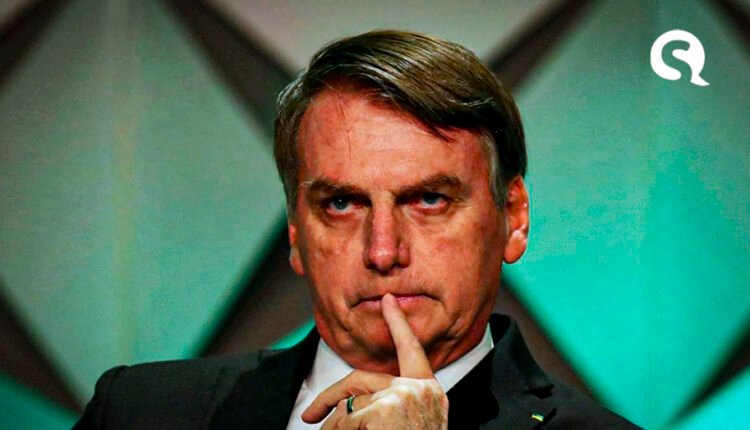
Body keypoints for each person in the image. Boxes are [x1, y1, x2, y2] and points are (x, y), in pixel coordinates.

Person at [74, 30, 639, 429]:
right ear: (296, 232)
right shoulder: (138, 411)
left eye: (429, 199)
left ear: (513, 218)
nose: (383, 251)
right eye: (342, 203)